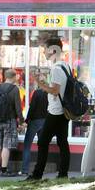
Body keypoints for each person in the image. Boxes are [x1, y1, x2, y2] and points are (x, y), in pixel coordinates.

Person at [27, 37, 71, 181]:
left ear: (53, 50)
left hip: (56, 111)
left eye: (45, 49)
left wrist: (39, 83)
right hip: (63, 110)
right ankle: (63, 173)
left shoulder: (57, 68)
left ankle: (37, 174)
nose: (44, 52)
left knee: (43, 141)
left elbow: (55, 91)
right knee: (62, 142)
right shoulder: (65, 66)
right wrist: (45, 83)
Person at [0, 69, 23, 176]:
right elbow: (18, 108)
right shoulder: (14, 89)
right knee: (6, 146)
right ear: (13, 77)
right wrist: (21, 121)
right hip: (9, 120)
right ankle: (4, 170)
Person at [21, 86, 48, 177]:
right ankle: (41, 169)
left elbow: (32, 107)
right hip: (45, 120)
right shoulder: (50, 93)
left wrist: (27, 120)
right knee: (42, 146)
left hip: (34, 121)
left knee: (27, 145)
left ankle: (25, 170)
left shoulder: (37, 93)